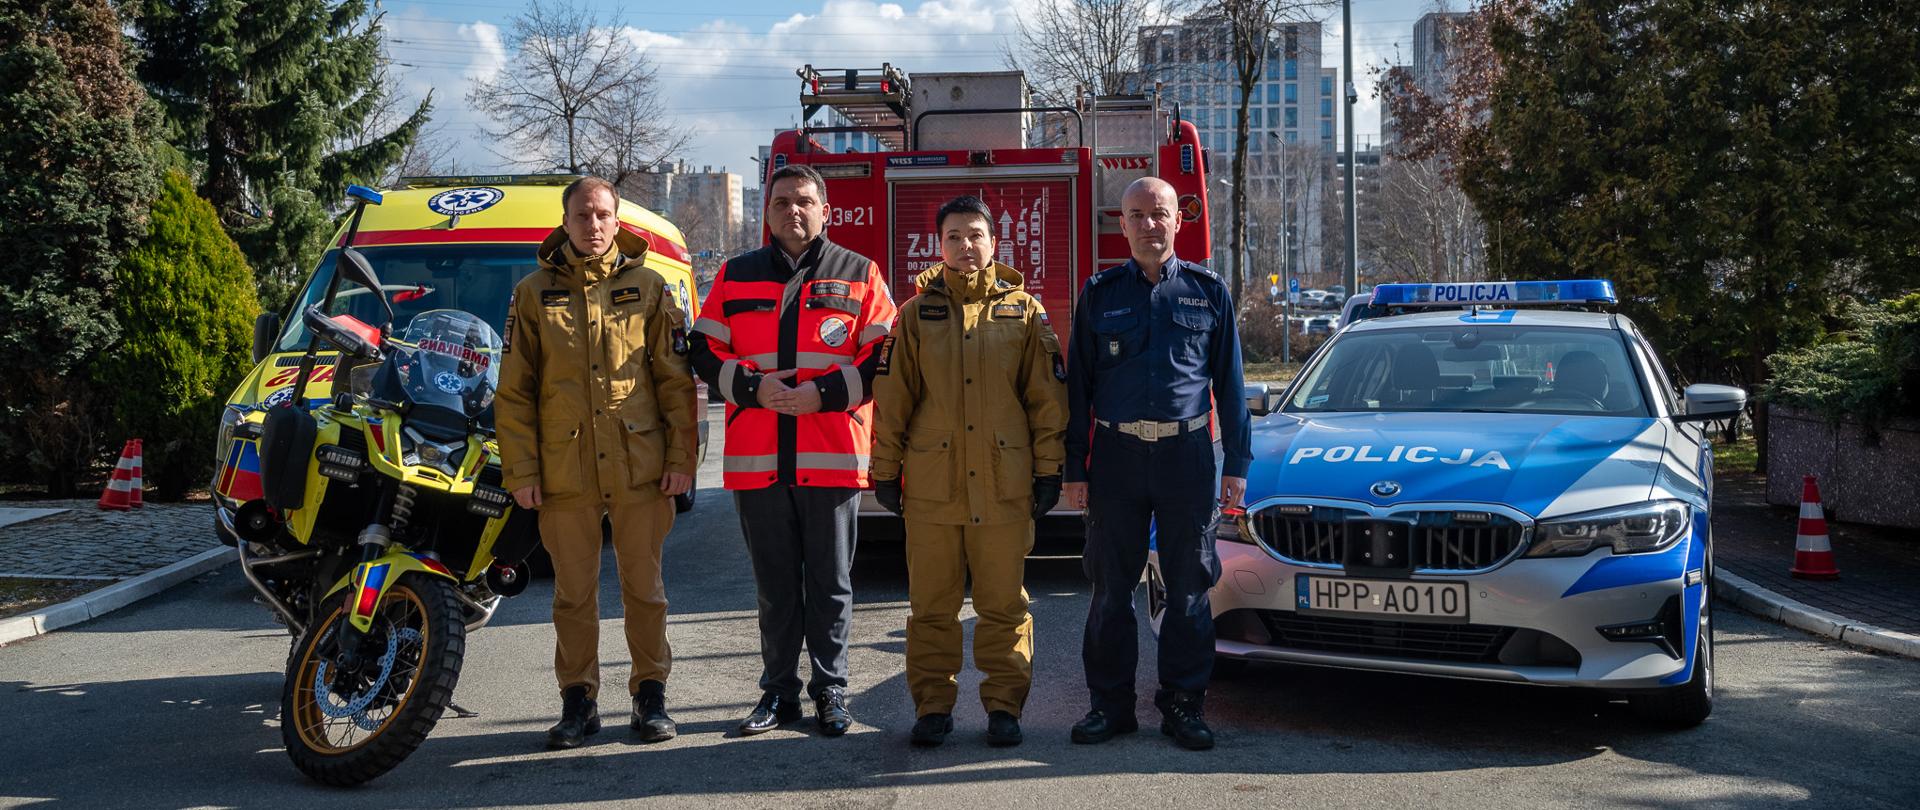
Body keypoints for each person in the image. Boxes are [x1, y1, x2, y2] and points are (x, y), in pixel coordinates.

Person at [689, 164, 898, 737]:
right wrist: (756, 388)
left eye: (804, 201)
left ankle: (831, 690)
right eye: (781, 202)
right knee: (775, 588)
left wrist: (821, 395)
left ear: (825, 211)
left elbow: (884, 355)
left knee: (831, 585)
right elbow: (703, 351)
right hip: (759, 461)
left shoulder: (860, 273)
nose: (792, 211)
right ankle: (778, 694)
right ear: (767, 212)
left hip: (832, 457)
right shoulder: (735, 275)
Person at [496, 176, 699, 750]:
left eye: (603, 214)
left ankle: (650, 696)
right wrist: (522, 472)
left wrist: (681, 459)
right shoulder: (532, 294)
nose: (593, 224)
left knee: (646, 590)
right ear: (565, 222)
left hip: (640, 466)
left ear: (617, 220)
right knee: (572, 595)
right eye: (582, 215)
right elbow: (514, 393)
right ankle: (578, 701)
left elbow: (675, 383)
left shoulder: (650, 286)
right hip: (565, 469)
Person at [870, 195, 1067, 748]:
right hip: (933, 489)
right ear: (939, 245)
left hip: (1005, 486)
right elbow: (893, 399)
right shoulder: (915, 315)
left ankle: (1004, 706)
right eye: (954, 236)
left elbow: (1046, 402)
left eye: (975, 234)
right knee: (931, 607)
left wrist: (1048, 470)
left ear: (994, 242)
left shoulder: (1024, 311)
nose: (966, 246)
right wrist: (885, 470)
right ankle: (933, 707)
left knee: (1004, 605)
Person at [1063, 176, 1251, 751]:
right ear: (1121, 224)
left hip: (1186, 457)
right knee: (1110, 589)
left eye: (1160, 213)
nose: (1150, 224)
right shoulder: (1099, 293)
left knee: (1189, 588)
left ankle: (1184, 705)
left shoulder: (1207, 292)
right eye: (1138, 215)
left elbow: (1231, 386)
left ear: (1178, 220)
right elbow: (1079, 390)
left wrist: (1237, 464)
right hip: (1115, 458)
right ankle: (1111, 706)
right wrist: (1075, 469)